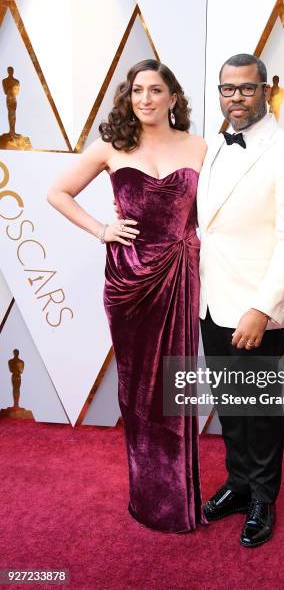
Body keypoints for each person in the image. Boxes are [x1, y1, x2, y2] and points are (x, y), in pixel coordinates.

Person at [47, 59, 207, 533]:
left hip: (180, 274)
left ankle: (179, 494)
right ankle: (149, 497)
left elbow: (213, 209)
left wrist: (194, 238)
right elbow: (58, 192)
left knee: (174, 386)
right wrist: (102, 229)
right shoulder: (112, 147)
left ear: (173, 98)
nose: (145, 99)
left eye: (156, 91)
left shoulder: (200, 146)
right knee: (138, 390)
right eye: (137, 90)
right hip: (129, 281)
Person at [197, 54, 284, 547]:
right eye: (228, 89)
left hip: (255, 308)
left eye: (246, 89)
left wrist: (262, 308)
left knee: (259, 407)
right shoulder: (213, 147)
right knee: (230, 404)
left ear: (267, 90)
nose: (236, 98)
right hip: (210, 300)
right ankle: (240, 484)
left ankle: (264, 498)